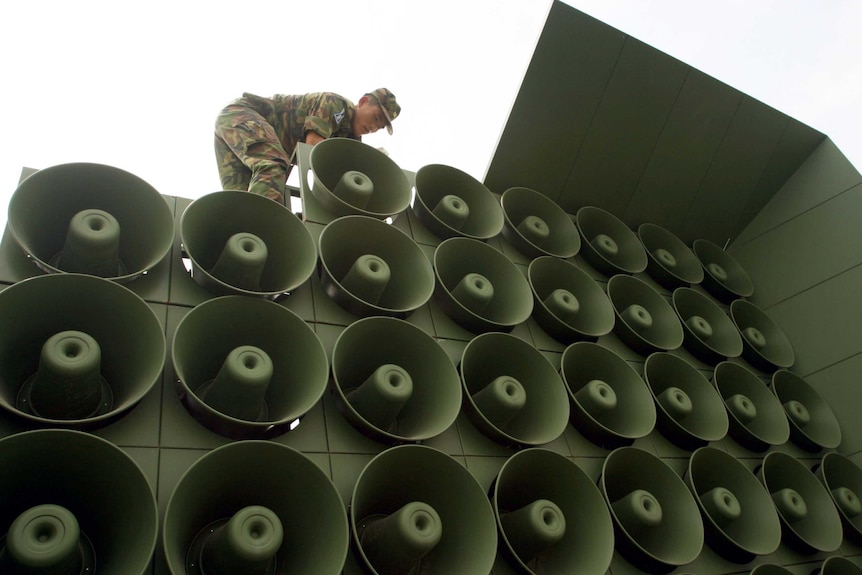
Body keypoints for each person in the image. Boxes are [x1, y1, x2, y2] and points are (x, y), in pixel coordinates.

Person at [213, 88, 400, 205]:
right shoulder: (336, 105)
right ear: (363, 101)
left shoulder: (351, 141)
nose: (374, 127)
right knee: (272, 168)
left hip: (249, 137)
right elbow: (313, 146)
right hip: (242, 116)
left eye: (380, 126)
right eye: (376, 118)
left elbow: (338, 177)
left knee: (241, 202)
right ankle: (259, 230)